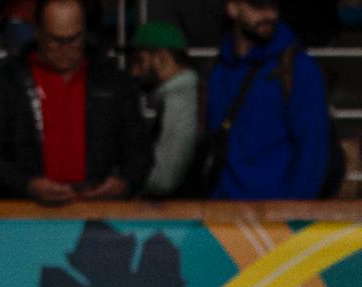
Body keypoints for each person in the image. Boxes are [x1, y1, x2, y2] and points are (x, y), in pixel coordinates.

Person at [0, 0, 150, 202]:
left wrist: (123, 183)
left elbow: (139, 149)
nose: (64, 48)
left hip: (99, 216)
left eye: (73, 39)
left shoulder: (112, 82)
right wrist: (26, 184)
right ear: (38, 32)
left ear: (84, 32)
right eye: (55, 40)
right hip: (27, 213)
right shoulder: (8, 83)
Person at [200, 0, 333, 198]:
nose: (270, 15)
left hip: (278, 218)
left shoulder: (298, 69)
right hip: (221, 215)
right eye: (258, 6)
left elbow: (313, 150)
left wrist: (293, 212)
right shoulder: (216, 70)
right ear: (233, 8)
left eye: (274, 6)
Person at [128, 20, 201, 194]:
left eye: (140, 61)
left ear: (162, 58)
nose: (134, 72)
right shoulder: (183, 95)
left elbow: (164, 178)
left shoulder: (180, 100)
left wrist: (125, 180)